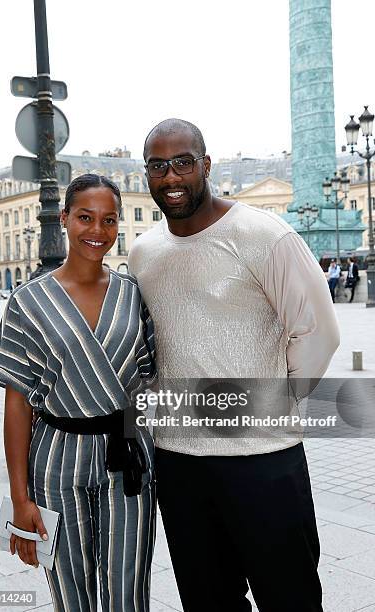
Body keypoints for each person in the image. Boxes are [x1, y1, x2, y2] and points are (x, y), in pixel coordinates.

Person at [128, 119, 340, 612]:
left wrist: (271, 405)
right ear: (146, 176)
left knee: (289, 596)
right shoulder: (144, 253)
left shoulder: (264, 235)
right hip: (179, 463)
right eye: (158, 166)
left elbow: (318, 331)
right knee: (207, 600)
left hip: (263, 462)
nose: (171, 176)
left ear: (206, 165)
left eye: (183, 162)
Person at [0, 174, 156, 612]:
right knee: (69, 592)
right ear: (63, 218)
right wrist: (20, 499)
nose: (97, 231)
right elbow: (18, 403)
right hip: (56, 460)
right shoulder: (27, 302)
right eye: (85, 217)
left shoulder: (133, 294)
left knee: (129, 590)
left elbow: (145, 383)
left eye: (109, 220)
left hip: (129, 458)